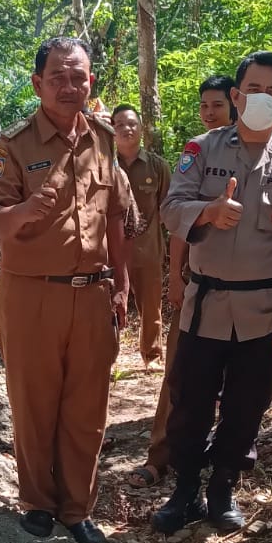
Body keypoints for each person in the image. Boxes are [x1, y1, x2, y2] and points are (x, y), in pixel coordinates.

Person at [151, 51, 272, 534]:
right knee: (190, 401)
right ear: (235, 95)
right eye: (253, 90)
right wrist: (207, 212)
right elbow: (171, 208)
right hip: (203, 307)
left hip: (266, 310)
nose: (261, 99)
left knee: (247, 405)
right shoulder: (201, 149)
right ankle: (184, 488)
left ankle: (222, 487)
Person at [0, 36, 134, 543]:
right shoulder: (14, 145)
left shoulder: (105, 140)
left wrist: (122, 281)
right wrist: (24, 212)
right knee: (35, 402)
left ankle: (77, 509)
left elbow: (115, 213)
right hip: (31, 294)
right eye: (58, 77)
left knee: (87, 409)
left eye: (79, 77)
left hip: (93, 292)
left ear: (92, 82)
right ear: (38, 84)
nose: (70, 86)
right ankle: (38, 503)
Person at [128, 76, 234, 488]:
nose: (209, 113)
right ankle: (159, 457)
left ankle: (218, 466)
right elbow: (177, 218)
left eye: (218, 105)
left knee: (232, 386)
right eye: (204, 105)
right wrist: (174, 275)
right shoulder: (196, 152)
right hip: (199, 287)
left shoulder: (267, 153)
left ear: (236, 105)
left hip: (249, 292)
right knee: (177, 372)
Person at [112, 104, 171, 370]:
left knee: (151, 306)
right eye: (120, 124)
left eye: (132, 123)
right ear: (112, 130)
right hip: (112, 252)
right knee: (109, 305)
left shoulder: (157, 167)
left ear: (141, 128)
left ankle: (152, 355)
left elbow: (169, 208)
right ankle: (108, 355)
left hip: (148, 250)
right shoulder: (104, 164)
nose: (127, 129)